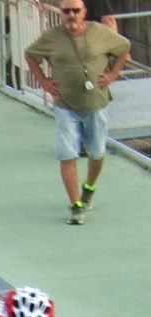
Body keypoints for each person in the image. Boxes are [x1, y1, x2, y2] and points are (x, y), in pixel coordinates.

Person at [24, 1, 130, 225]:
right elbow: (30, 55)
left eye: (75, 11)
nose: (71, 15)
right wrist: (43, 81)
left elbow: (124, 47)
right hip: (65, 105)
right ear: (61, 14)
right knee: (67, 154)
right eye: (66, 11)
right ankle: (76, 205)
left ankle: (89, 188)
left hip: (96, 103)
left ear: (84, 13)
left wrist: (112, 74)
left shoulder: (99, 32)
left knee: (96, 153)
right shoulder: (51, 37)